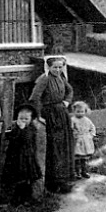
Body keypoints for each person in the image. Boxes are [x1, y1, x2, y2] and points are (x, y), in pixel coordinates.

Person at [29, 57, 75, 193]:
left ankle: (64, 180)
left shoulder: (61, 78)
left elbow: (70, 91)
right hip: (50, 114)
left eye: (60, 67)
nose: (58, 70)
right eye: (55, 67)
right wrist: (39, 116)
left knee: (64, 145)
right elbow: (34, 97)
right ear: (49, 67)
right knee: (54, 147)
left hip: (62, 113)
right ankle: (53, 183)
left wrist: (66, 102)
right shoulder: (44, 79)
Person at [2, 105, 43, 205]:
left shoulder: (31, 128)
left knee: (27, 178)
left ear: (31, 119)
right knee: (17, 178)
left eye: (26, 118)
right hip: (16, 156)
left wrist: (22, 129)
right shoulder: (14, 128)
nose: (23, 120)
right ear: (17, 118)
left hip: (28, 157)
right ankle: (16, 199)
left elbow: (28, 139)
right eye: (21, 118)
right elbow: (10, 137)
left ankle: (27, 198)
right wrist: (18, 129)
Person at [71, 101, 96, 179]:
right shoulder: (73, 120)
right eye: (78, 112)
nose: (80, 113)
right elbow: (70, 129)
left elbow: (92, 128)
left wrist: (91, 135)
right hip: (77, 141)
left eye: (82, 112)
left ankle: (84, 171)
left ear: (85, 112)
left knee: (84, 158)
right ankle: (77, 172)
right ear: (74, 111)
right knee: (77, 157)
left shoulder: (87, 120)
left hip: (86, 140)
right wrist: (73, 134)